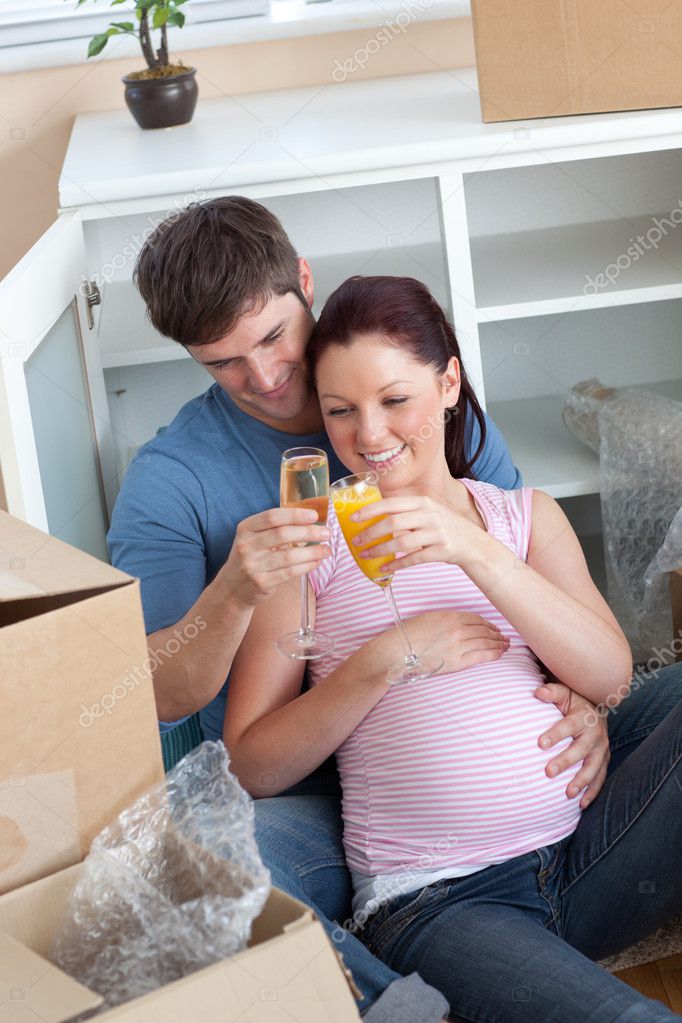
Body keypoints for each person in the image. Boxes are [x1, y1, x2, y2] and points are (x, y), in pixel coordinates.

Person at [108, 197, 628, 1022]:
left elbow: (523, 556)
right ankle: (407, 996)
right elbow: (151, 693)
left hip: (491, 749)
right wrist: (234, 587)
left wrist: (591, 697)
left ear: (303, 283)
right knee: (195, 864)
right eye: (224, 363)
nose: (266, 376)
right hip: (309, 795)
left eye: (275, 337)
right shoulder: (173, 479)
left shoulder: (405, 388)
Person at [225, 275, 682, 1023]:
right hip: (442, 901)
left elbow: (609, 676)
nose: (369, 435)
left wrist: (478, 552)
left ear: (447, 383)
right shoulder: (310, 546)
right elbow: (248, 762)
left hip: (589, 857)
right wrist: (386, 657)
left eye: (394, 400)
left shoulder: (521, 517)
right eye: (341, 411)